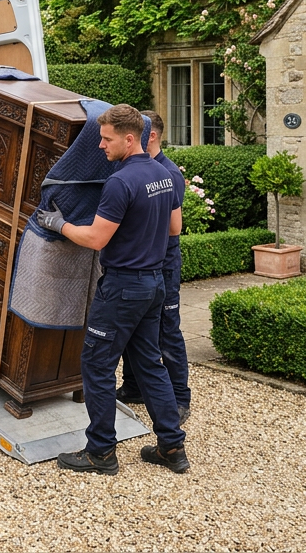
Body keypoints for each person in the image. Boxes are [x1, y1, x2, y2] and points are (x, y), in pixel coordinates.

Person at [36, 104, 189, 475]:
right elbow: (173, 229)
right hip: (155, 284)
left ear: (129, 138)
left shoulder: (120, 182)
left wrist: (59, 225)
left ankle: (101, 452)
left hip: (123, 288)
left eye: (106, 139)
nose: (101, 146)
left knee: (97, 363)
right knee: (149, 363)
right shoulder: (164, 175)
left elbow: (95, 237)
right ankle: (172, 447)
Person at [115, 111, 190, 426]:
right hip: (146, 263)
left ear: (151, 136)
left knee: (167, 329)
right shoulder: (135, 169)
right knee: (137, 329)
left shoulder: (168, 174)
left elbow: (174, 229)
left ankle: (179, 398)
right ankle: (134, 386)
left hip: (163, 263)